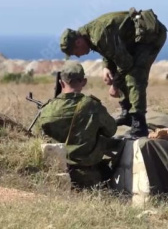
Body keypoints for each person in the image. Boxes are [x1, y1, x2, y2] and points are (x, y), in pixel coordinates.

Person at [59, 8, 167, 138]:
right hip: (131, 40)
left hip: (150, 37)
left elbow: (126, 63)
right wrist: (107, 67)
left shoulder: (98, 35)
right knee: (119, 71)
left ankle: (139, 124)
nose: (77, 56)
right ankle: (127, 113)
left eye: (75, 52)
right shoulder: (88, 35)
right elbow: (109, 50)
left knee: (134, 75)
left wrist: (115, 85)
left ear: (78, 42)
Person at [37, 61, 119, 189]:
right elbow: (111, 130)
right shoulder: (93, 106)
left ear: (61, 83)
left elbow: (38, 138)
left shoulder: (47, 109)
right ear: (84, 82)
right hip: (90, 177)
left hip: (56, 176)